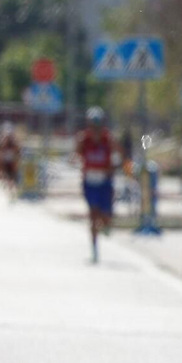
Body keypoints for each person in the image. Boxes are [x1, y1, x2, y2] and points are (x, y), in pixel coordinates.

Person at [75, 108, 116, 262]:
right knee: (93, 215)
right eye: (92, 125)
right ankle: (94, 250)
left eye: (97, 125)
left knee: (105, 216)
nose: (95, 129)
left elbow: (118, 154)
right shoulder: (84, 139)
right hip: (90, 182)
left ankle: (106, 225)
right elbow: (77, 154)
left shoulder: (108, 139)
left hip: (104, 182)